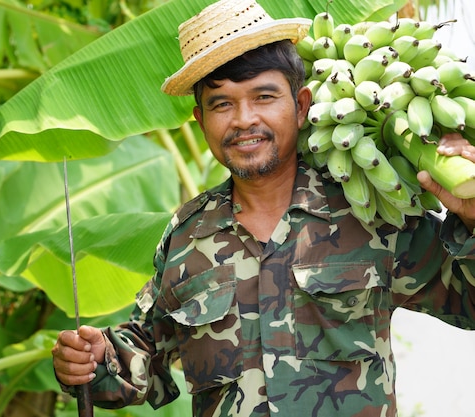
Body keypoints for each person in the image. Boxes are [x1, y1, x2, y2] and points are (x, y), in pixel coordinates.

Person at [52, 0, 475, 415]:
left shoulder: (367, 213)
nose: (243, 119)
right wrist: (95, 357)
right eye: (222, 104)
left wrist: (471, 217)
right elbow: (146, 355)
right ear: (201, 121)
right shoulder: (187, 235)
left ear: (302, 106)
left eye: (264, 96)